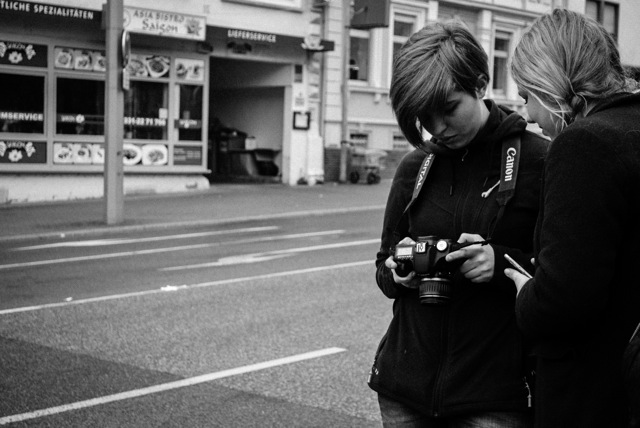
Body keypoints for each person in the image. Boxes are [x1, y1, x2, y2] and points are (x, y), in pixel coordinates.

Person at [367, 20, 549, 427]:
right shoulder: (415, 166)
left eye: (448, 109)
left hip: (493, 396)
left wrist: (499, 262)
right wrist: (399, 273)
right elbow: (383, 267)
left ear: (480, 84)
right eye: (424, 115)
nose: (437, 128)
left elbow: (564, 274)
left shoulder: (539, 160)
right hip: (404, 389)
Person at [505, 8, 640, 428]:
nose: (528, 115)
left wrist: (526, 293)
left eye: (528, 96)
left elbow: (563, 301)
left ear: (552, 81)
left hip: (596, 393)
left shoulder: (584, 144)